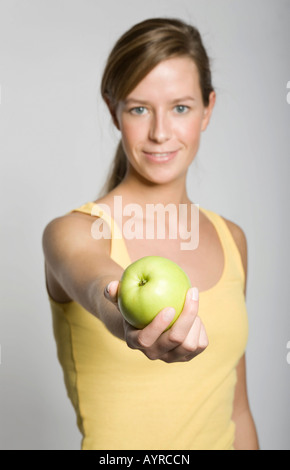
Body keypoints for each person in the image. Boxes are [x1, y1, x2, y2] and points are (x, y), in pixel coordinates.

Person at [42, 18, 259, 450]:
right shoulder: (72, 232)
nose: (161, 132)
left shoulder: (232, 239)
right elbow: (99, 288)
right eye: (139, 108)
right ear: (114, 111)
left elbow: (236, 410)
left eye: (181, 107)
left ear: (207, 108)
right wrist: (126, 319)